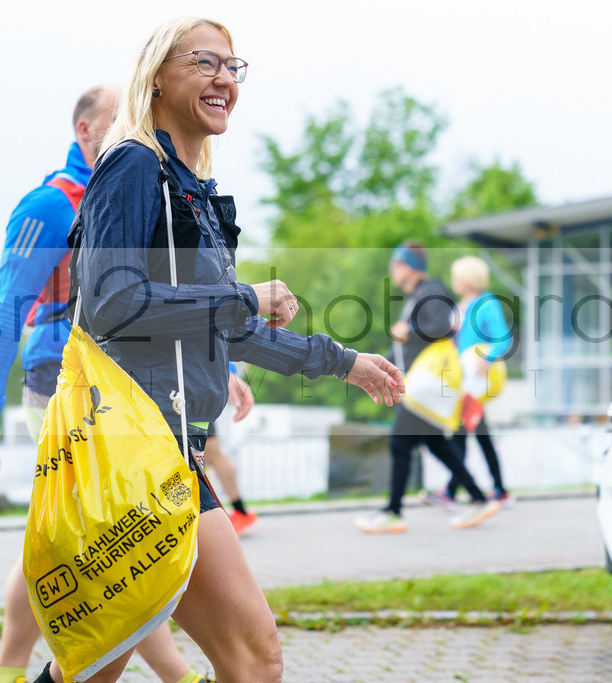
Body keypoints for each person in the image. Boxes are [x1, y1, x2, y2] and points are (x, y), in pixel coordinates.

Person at [36, 16, 405, 683]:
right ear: (156, 76)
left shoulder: (190, 189)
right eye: (205, 62)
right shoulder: (132, 165)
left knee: (124, 660)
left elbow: (223, 328)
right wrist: (245, 297)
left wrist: (341, 361)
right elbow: (114, 302)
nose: (225, 79)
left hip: (169, 448)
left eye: (234, 67)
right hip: (131, 452)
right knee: (215, 654)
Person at [0, 85, 209, 683]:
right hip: (60, 382)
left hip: (124, 385)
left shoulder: (136, 195)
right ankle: (176, 675)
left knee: (63, 538)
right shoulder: (49, 205)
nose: (140, 127)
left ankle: (10, 672)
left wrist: (219, 369)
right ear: (86, 131)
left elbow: (165, 301)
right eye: (123, 118)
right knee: (116, 533)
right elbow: (6, 306)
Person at [354, 243, 502, 535]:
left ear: (408, 265)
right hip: (421, 383)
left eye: (394, 264)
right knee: (436, 444)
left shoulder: (431, 290)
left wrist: (409, 331)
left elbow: (439, 327)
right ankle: (479, 498)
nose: (391, 270)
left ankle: (393, 512)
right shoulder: (419, 295)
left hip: (427, 384)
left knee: (400, 443)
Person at [425, 256, 514, 508]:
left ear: (469, 278)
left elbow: (503, 340)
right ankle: (497, 489)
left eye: (458, 276)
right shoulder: (459, 306)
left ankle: (453, 490)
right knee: (477, 435)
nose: (455, 281)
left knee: (463, 432)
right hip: (461, 380)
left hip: (476, 381)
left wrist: (487, 357)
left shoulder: (487, 304)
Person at [209, 364, 260, 537]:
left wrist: (227, 370)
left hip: (186, 390)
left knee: (213, 453)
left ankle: (241, 513)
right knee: (212, 455)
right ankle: (241, 512)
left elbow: (213, 338)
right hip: (184, 386)